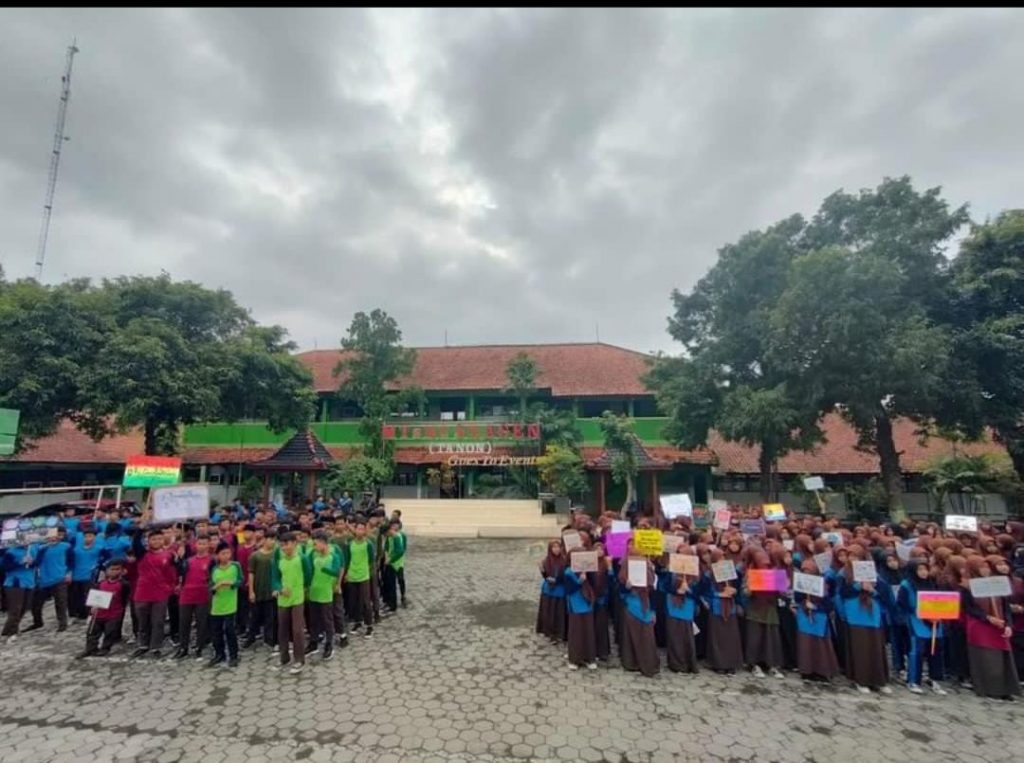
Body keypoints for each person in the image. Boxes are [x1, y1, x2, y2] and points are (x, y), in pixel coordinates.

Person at [963, 556, 1020, 700]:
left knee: (1004, 657)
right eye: (982, 567)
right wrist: (988, 618)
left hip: (1000, 623)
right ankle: (990, 689)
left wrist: (1008, 624)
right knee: (987, 658)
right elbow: (969, 608)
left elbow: (1005, 606)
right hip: (980, 625)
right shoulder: (967, 587)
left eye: (987, 567)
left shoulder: (998, 583)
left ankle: (1006, 689)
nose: (985, 570)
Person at [839, 548, 891, 694]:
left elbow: (884, 593)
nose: (853, 559)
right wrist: (858, 586)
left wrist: (872, 589)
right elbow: (842, 593)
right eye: (851, 556)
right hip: (855, 613)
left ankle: (878, 680)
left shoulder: (874, 574)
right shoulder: (844, 573)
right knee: (860, 647)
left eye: (856, 556)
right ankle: (860, 680)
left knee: (875, 647)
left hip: (872, 613)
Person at [897, 558, 948, 695]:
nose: (924, 572)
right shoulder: (906, 585)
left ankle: (934, 678)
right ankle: (913, 680)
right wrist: (920, 613)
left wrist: (940, 613)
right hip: (917, 621)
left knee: (935, 651)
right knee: (917, 651)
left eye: (925, 569)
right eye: (920, 569)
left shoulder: (932, 582)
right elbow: (902, 604)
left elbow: (940, 600)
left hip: (935, 621)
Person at [130, 527, 178, 660]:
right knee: (142, 621)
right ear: (148, 541)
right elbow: (135, 542)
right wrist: (140, 529)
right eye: (153, 539)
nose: (156, 541)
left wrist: (171, 587)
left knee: (158, 621)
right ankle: (143, 645)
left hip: (161, 593)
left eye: (159, 539)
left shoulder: (169, 555)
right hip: (142, 593)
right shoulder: (142, 554)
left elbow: (172, 573)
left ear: (163, 540)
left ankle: (156, 647)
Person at [271, 531, 313, 674]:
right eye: (282, 545)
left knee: (297, 630)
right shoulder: (278, 559)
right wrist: (279, 588)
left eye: (287, 544)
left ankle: (299, 659)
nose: (284, 547)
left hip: (297, 598)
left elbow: (308, 576)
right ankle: (284, 657)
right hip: (283, 599)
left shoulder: (302, 558)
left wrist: (301, 588)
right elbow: (275, 577)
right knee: (282, 628)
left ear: (295, 543)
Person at [617, 544, 659, 677]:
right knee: (631, 634)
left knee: (647, 635)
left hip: (646, 604)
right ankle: (631, 662)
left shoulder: (649, 567)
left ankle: (648, 663)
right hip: (631, 604)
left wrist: (653, 611)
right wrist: (627, 587)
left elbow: (654, 591)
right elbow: (620, 590)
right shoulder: (625, 566)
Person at [794, 559, 839, 682]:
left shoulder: (822, 584)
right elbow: (797, 598)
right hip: (805, 616)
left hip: (820, 617)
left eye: (809, 571)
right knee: (806, 643)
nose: (806, 573)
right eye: (804, 571)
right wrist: (804, 602)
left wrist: (816, 606)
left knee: (820, 644)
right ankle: (807, 671)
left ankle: (822, 671)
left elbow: (828, 604)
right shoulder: (800, 583)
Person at [77, 559, 130, 658]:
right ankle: (90, 648)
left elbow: (124, 599)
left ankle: (105, 648)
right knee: (92, 632)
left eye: (117, 569)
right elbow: (94, 596)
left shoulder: (124, 584)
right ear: (106, 571)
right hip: (99, 613)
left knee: (109, 632)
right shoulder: (100, 584)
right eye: (112, 569)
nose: (114, 572)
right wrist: (92, 607)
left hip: (113, 614)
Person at [28, 528, 74, 633]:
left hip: (60, 577)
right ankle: (37, 622)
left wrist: (69, 573)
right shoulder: (42, 548)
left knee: (60, 602)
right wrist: (30, 562)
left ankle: (62, 623)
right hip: (44, 579)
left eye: (54, 536)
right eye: (50, 537)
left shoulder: (66, 546)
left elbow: (71, 561)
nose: (53, 539)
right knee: (36, 603)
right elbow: (37, 563)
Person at [175, 534, 212, 660]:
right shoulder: (188, 561)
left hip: (202, 594)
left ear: (209, 545)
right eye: (199, 543)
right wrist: (179, 559)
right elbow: (180, 573)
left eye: (204, 543)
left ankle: (199, 646)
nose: (201, 546)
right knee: (184, 622)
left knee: (202, 623)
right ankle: (183, 647)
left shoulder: (212, 560)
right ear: (195, 545)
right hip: (186, 594)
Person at [207, 541, 242, 668]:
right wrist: (215, 587)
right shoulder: (215, 569)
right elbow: (210, 585)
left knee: (229, 630)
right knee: (216, 631)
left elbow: (240, 581)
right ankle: (219, 654)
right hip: (217, 604)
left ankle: (234, 655)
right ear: (217, 556)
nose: (226, 556)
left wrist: (231, 583)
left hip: (230, 603)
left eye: (228, 553)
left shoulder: (235, 566)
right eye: (223, 553)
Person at [307, 530, 341, 661]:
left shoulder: (333, 556)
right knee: (314, 620)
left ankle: (329, 644)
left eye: (316, 544)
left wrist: (324, 569)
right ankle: (313, 642)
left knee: (327, 621)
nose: (314, 547)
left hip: (326, 593)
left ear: (323, 543)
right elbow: (309, 571)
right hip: (314, 591)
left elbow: (336, 572)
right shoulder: (313, 556)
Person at [244, 530, 278, 649]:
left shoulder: (276, 555)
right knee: (254, 617)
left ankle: (269, 639)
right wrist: (251, 591)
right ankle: (251, 637)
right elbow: (251, 573)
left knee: (270, 617)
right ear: (264, 540)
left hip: (271, 591)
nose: (272, 542)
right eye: (270, 539)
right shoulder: (255, 556)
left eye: (274, 539)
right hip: (258, 590)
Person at [564, 551, 597, 670]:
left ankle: (589, 658)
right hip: (575, 604)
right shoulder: (568, 572)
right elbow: (569, 590)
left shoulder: (589, 571)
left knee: (588, 632)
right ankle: (574, 659)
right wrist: (580, 581)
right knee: (576, 632)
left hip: (587, 604)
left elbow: (595, 584)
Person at [345, 518, 376, 638]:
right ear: (355, 530)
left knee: (365, 602)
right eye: (358, 528)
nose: (360, 531)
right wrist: (347, 573)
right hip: (352, 576)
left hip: (363, 576)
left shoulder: (368, 544)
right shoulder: (350, 544)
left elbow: (371, 560)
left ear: (365, 531)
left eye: (362, 529)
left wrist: (366, 571)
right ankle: (358, 622)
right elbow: (348, 559)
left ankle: (369, 626)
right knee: (355, 601)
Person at [1, 544, 36, 641]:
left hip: (29, 582)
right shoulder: (10, 552)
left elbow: (36, 563)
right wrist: (21, 562)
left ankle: (7, 630)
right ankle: (12, 631)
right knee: (15, 609)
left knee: (24, 607)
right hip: (15, 583)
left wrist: (32, 562)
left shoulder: (32, 549)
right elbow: (5, 567)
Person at [69, 525, 104, 620]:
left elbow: (105, 559)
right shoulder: (76, 549)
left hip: (90, 575)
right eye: (86, 536)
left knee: (89, 595)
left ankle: (90, 614)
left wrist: (98, 565)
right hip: (76, 575)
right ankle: (79, 614)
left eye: (90, 536)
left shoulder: (99, 548)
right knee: (77, 596)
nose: (88, 538)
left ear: (95, 537)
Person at [535, 540, 567, 643]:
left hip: (560, 590)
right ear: (550, 549)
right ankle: (550, 632)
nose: (556, 549)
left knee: (559, 613)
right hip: (549, 590)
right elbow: (545, 575)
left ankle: (560, 632)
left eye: (558, 547)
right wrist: (542, 571)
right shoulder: (546, 561)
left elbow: (566, 575)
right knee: (549, 613)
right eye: (554, 547)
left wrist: (557, 580)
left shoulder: (565, 561)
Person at [381, 520, 406, 613]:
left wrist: (390, 560)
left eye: (385, 533)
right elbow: (387, 548)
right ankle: (387, 602)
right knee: (387, 584)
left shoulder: (396, 537)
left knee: (392, 585)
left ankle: (392, 605)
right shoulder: (389, 537)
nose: (386, 536)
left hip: (395, 564)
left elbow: (400, 551)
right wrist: (386, 556)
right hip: (389, 563)